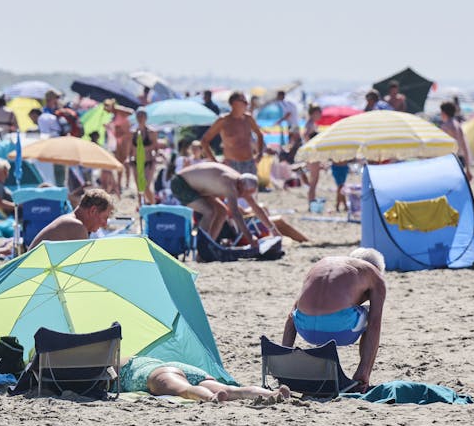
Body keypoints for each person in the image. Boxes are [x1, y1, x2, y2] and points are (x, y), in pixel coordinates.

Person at [282, 248, 387, 391]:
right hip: (338, 329)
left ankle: (322, 365)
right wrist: (364, 371)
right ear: (378, 269)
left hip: (304, 328)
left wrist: (283, 358)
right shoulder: (374, 273)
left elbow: (292, 315)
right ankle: (362, 375)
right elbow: (375, 324)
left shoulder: (323, 265)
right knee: (370, 315)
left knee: (328, 308)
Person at [168, 161, 280, 244]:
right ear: (240, 186)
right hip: (181, 183)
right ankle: (201, 247)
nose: (243, 197)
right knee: (209, 212)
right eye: (244, 194)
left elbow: (256, 208)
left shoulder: (241, 181)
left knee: (222, 211)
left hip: (197, 186)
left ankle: (210, 244)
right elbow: (236, 214)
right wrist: (250, 239)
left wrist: (273, 230)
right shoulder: (229, 184)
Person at [120, 356, 290, 403]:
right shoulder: (133, 358)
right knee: (231, 390)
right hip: (177, 366)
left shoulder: (112, 368)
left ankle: (210, 398)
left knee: (184, 389)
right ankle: (273, 394)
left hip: (156, 374)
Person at [200, 91, 265, 175]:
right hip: (231, 164)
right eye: (244, 101)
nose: (246, 104)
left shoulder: (248, 118)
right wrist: (215, 162)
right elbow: (204, 141)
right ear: (234, 103)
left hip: (249, 163)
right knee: (232, 188)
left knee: (251, 188)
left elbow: (260, 134)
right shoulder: (223, 120)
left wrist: (260, 154)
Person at [28, 189, 114, 248]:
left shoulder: (69, 221)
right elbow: (81, 269)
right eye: (105, 218)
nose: (105, 224)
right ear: (93, 211)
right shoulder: (76, 227)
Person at [131, 108, 159, 204]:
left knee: (146, 186)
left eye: (142, 116)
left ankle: (153, 205)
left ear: (146, 118)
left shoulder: (151, 132)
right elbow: (131, 148)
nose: (140, 118)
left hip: (148, 161)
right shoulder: (134, 132)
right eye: (139, 116)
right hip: (136, 161)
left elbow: (155, 146)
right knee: (139, 188)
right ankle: (141, 207)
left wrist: (142, 149)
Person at [439, 101, 473, 181]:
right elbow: (465, 147)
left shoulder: (445, 127)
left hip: (450, 159)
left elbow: (441, 147)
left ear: (444, 113)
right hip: (460, 159)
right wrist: (468, 168)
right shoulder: (458, 125)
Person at [109, 104, 134, 192]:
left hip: (125, 139)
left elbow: (131, 112)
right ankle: (119, 184)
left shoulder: (121, 112)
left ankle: (126, 183)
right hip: (118, 140)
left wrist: (117, 108)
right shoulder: (114, 115)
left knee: (124, 161)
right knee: (119, 162)